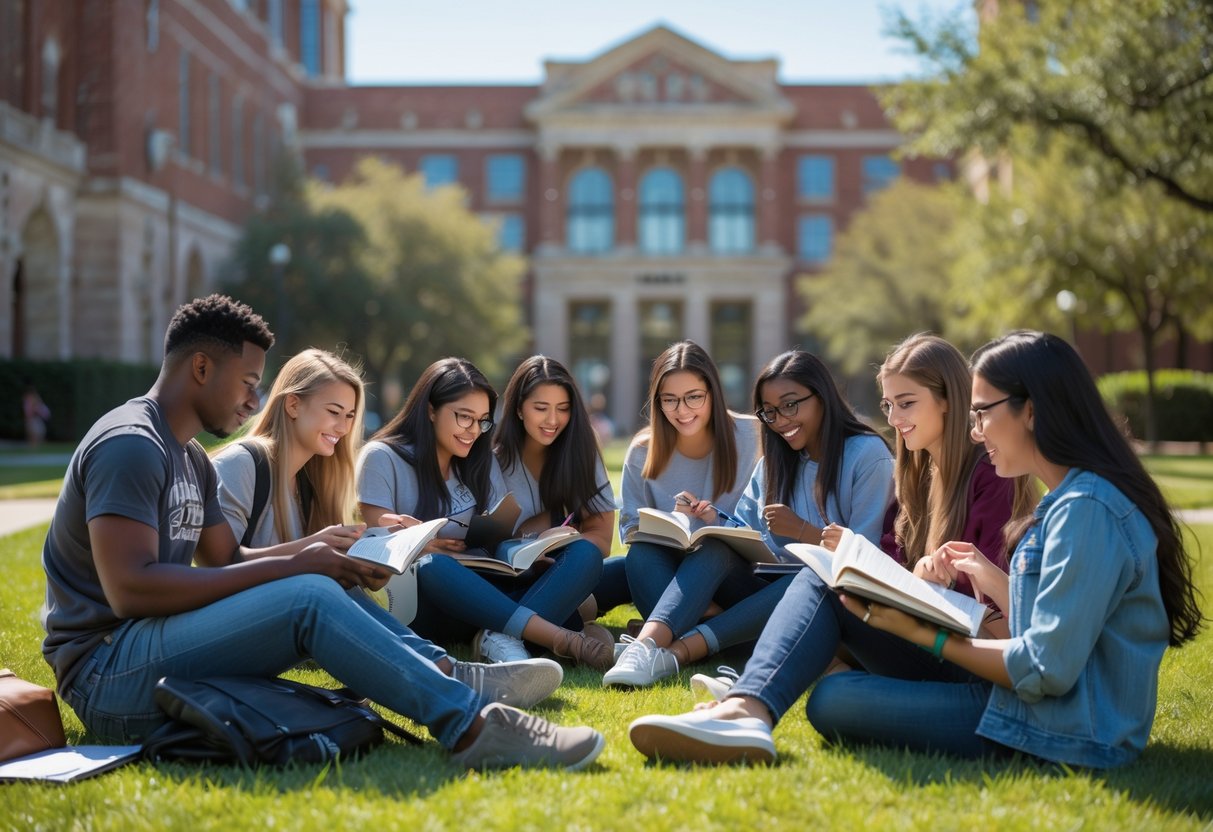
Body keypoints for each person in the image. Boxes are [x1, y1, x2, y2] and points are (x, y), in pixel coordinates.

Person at [40, 295, 603, 770]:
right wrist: (299, 565)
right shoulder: (131, 445)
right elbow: (130, 590)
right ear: (202, 369)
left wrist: (316, 550)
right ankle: (474, 727)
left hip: (153, 649)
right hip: (108, 673)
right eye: (247, 382)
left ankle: (447, 673)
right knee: (307, 591)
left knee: (323, 577)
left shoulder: (187, 455)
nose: (253, 401)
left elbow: (224, 557)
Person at [628, 331, 1202, 769]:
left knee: (833, 690)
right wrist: (991, 583)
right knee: (831, 629)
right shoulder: (1071, 502)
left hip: (1061, 726)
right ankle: (747, 710)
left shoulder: (1087, 509)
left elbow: (1042, 670)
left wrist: (918, 630)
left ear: (1032, 410)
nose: (976, 430)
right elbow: (1051, 630)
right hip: (1033, 705)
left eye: (983, 412)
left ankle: (745, 709)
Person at [211, 347, 564, 709]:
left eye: (349, 416)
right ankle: (455, 674)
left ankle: (450, 671)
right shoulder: (242, 463)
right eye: (334, 413)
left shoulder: (315, 482)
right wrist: (312, 550)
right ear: (293, 405)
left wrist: (368, 555)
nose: (344, 427)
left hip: (297, 617)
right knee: (328, 587)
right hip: (247, 621)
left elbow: (312, 568)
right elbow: (218, 567)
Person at [356, 357, 613, 669]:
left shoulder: (480, 462)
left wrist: (525, 554)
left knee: (585, 553)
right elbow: (378, 544)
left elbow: (495, 541)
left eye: (482, 421)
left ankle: (505, 637)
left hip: (483, 594)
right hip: (425, 597)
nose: (473, 431)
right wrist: (419, 542)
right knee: (433, 565)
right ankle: (564, 637)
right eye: (464, 418)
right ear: (430, 409)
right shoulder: (381, 457)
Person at [670, 348, 896, 691]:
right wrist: (712, 517)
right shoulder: (775, 461)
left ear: (821, 396)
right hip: (767, 591)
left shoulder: (867, 455)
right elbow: (748, 534)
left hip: (837, 602)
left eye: (791, 405)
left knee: (812, 573)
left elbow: (866, 560)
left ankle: (681, 650)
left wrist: (804, 532)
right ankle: (657, 642)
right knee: (710, 549)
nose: (781, 421)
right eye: (770, 412)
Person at [601, 341, 762, 688]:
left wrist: (714, 523)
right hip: (673, 581)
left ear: (712, 393)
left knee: (713, 546)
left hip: (736, 577)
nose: (682, 410)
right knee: (639, 555)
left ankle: (646, 645)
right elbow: (629, 529)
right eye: (669, 399)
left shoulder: (753, 436)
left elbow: (768, 523)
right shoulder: (644, 450)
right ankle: (712, 627)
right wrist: (673, 523)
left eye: (693, 397)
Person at [493, 356, 617, 646]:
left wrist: (561, 541)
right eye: (540, 408)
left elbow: (601, 538)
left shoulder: (581, 452)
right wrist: (531, 543)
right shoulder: (492, 460)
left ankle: (535, 625)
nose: (553, 420)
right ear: (519, 409)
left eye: (563, 409)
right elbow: (484, 545)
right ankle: (556, 624)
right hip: (508, 577)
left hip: (563, 567)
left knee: (618, 564)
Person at [22, 383, 51, 448]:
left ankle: (36, 448)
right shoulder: (29, 399)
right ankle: (33, 448)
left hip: (36, 419)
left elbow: (40, 408)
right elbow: (30, 411)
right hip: (32, 419)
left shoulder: (35, 398)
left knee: (40, 433)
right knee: (34, 435)